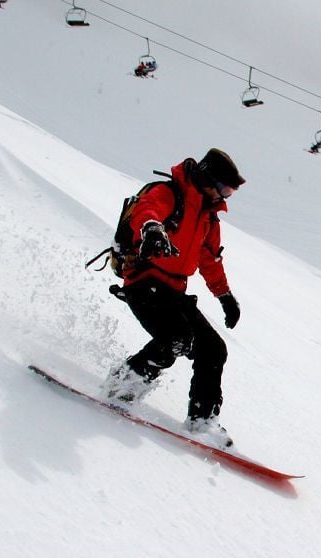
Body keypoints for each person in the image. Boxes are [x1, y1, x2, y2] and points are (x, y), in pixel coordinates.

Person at [100, 148, 245, 447]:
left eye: (230, 192)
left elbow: (209, 260)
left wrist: (225, 296)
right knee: (175, 339)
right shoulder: (169, 194)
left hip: (174, 290)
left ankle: (202, 419)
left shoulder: (208, 217)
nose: (225, 197)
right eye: (224, 188)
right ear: (206, 177)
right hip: (144, 281)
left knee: (213, 349)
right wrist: (152, 230)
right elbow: (147, 211)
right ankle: (121, 387)